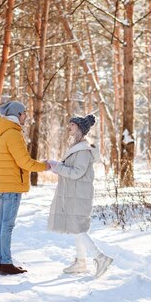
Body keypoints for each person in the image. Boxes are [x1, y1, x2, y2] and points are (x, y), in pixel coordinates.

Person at [47, 114, 113, 278]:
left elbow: (76, 173)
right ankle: (81, 262)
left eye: (72, 125)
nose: (68, 127)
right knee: (76, 227)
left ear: (80, 129)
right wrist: (58, 166)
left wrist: (57, 167)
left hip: (78, 194)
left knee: (77, 228)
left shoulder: (83, 150)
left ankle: (100, 257)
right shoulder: (77, 147)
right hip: (74, 194)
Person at [0, 100, 49, 276]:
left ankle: (3, 261)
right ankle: (5, 263)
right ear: (17, 115)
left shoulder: (5, 132)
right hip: (12, 185)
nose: (26, 116)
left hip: (6, 184)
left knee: (2, 224)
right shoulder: (13, 134)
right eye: (24, 113)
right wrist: (45, 166)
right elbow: (24, 162)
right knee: (7, 225)